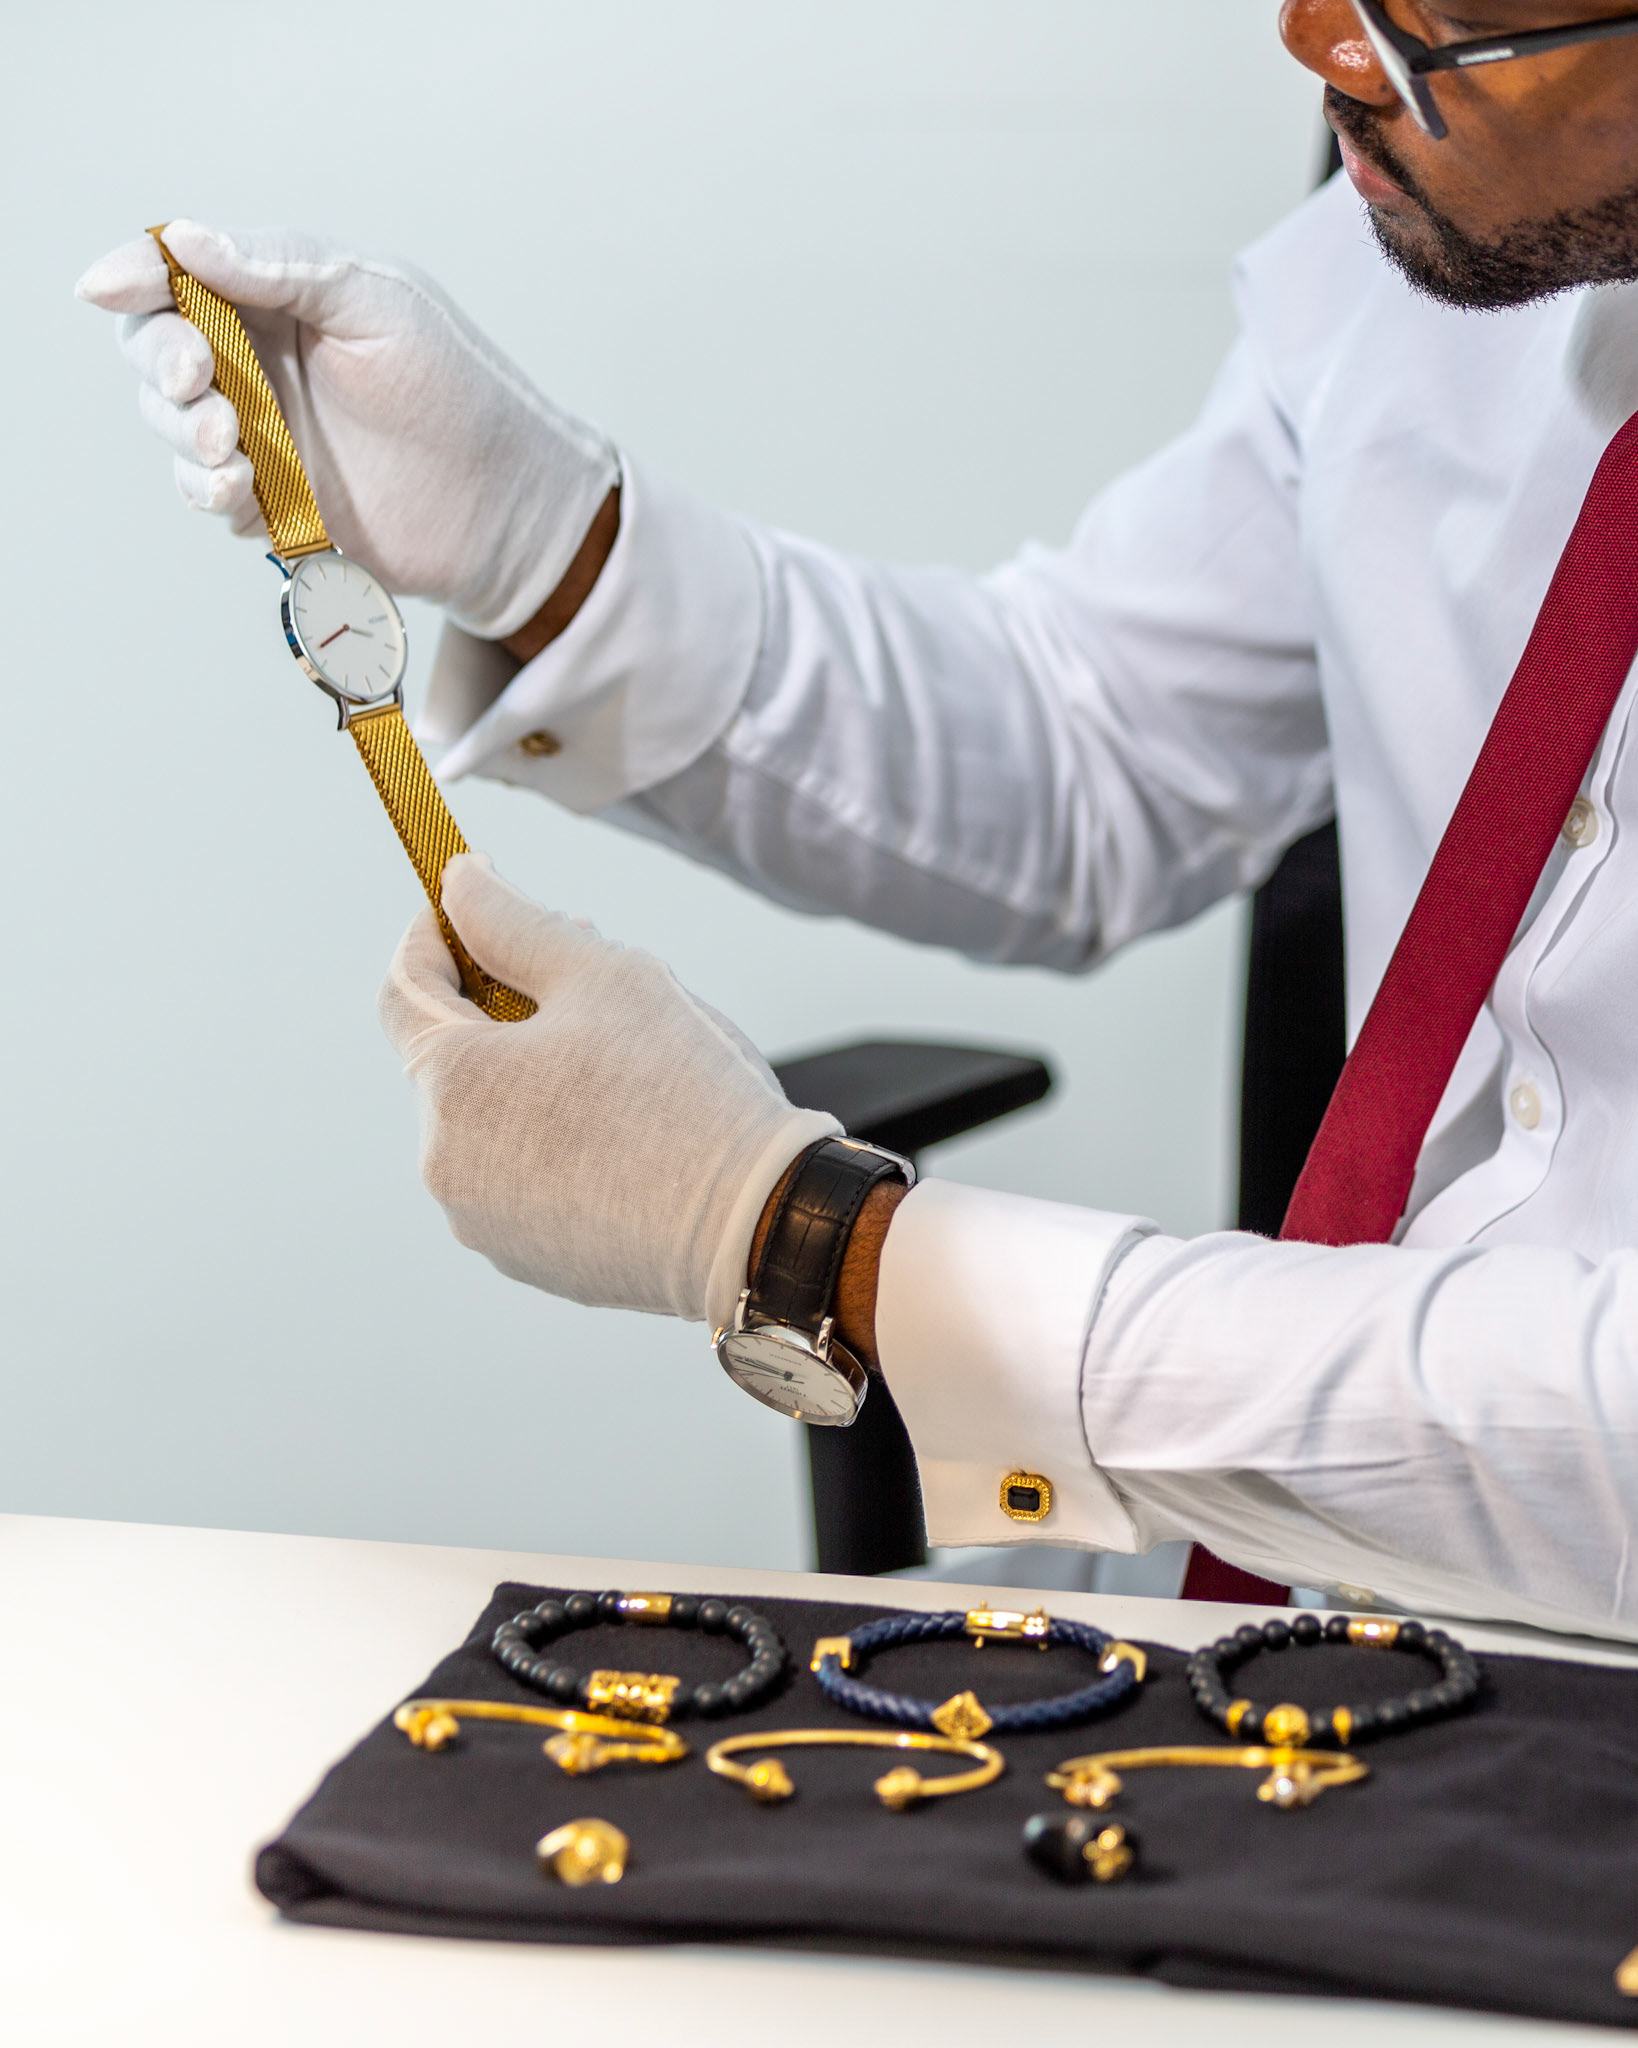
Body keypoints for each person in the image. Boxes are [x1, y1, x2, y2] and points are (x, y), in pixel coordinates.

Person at [76, 1, 1638, 1640]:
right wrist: (546, 543)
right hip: (1272, 1587)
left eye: (1450, 9)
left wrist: (823, 1246)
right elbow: (1097, 749)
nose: (1317, 41)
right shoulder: (1430, 268)